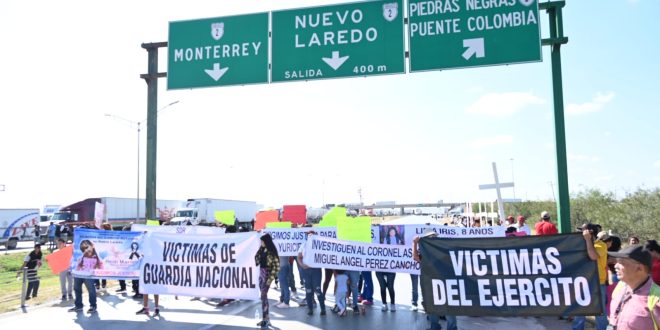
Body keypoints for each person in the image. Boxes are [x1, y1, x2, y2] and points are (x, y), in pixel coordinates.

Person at [607, 244, 660, 330]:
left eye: (621, 262)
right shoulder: (620, 287)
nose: (616, 266)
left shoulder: (656, 298)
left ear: (640, 268)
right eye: (616, 262)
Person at [413, 230, 457, 330]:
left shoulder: (443, 249)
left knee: (449, 306)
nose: (432, 238)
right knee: (432, 306)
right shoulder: (424, 251)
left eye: (434, 236)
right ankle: (435, 326)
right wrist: (414, 243)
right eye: (429, 237)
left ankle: (452, 328)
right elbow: (415, 258)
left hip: (445, 282)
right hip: (430, 283)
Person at [572, 226, 610, 330]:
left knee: (599, 311)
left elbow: (593, 256)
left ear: (591, 234)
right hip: (584, 282)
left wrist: (588, 240)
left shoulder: (601, 245)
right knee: (580, 309)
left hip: (597, 283)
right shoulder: (582, 246)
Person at [297, 231, 327, 316]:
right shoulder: (304, 244)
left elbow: (326, 256)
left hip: (316, 271)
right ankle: (310, 309)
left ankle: (323, 308)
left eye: (312, 234)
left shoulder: (319, 245)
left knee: (317, 290)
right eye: (308, 234)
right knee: (308, 290)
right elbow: (299, 257)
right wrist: (302, 265)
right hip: (306, 271)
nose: (310, 236)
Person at [255, 233, 280, 328]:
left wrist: (270, 279)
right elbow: (257, 261)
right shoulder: (262, 250)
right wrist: (259, 252)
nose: (261, 243)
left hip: (267, 275)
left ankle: (266, 318)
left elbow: (276, 267)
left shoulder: (272, 252)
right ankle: (265, 319)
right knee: (263, 298)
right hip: (261, 275)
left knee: (263, 296)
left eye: (262, 241)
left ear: (266, 242)